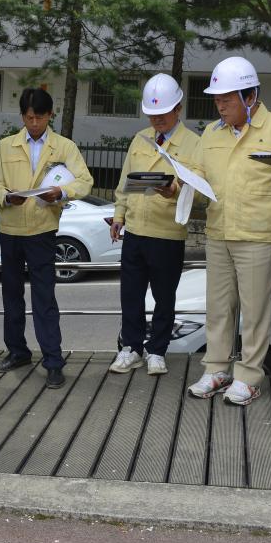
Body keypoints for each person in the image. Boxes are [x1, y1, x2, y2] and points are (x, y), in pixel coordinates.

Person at [186, 57, 271, 406]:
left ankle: (250, 375)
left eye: (227, 98)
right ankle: (217, 369)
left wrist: (269, 217)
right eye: (217, 98)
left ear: (250, 96)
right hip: (218, 231)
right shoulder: (210, 133)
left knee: (255, 311)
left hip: (258, 235)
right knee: (218, 307)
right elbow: (197, 174)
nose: (219, 104)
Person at [0, 88, 94, 389]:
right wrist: (6, 197)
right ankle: (17, 351)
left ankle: (53, 361)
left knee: (44, 298)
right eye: (29, 117)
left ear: (50, 116)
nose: (34, 123)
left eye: (40, 117)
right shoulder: (6, 146)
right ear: (22, 116)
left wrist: (62, 192)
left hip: (43, 230)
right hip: (10, 230)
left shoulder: (64, 147)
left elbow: (85, 181)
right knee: (11, 295)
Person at [109, 74, 201, 376]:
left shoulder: (193, 144)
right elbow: (125, 182)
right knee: (130, 294)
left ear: (178, 108)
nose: (157, 120)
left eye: (162, 114)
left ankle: (157, 350)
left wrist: (174, 190)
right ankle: (131, 348)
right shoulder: (140, 139)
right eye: (152, 114)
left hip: (167, 232)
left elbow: (199, 190)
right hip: (135, 230)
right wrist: (119, 216)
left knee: (165, 296)